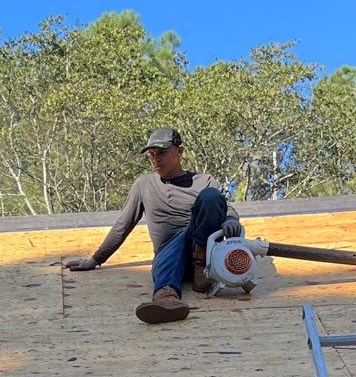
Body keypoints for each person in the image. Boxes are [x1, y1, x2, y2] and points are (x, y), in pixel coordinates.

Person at [65, 128, 243, 323]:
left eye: (162, 153)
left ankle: (199, 273)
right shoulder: (144, 184)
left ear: (179, 151)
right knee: (173, 246)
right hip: (169, 254)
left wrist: (231, 220)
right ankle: (166, 298)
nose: (156, 160)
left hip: (205, 251)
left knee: (210, 197)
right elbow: (123, 225)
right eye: (151, 155)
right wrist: (95, 259)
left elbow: (227, 208)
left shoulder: (204, 181)